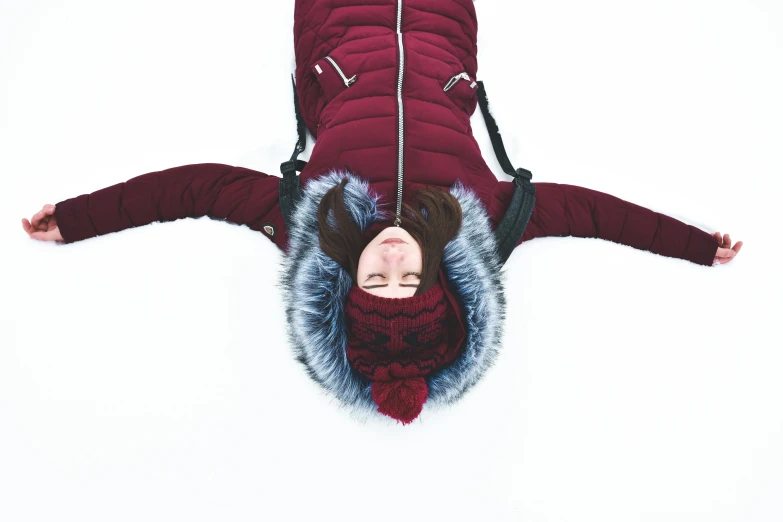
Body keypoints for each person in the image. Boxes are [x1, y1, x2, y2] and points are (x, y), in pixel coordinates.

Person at [21, 0, 742, 425]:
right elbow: (593, 213)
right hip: (439, 29)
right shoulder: (486, 222)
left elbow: (197, 189)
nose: (393, 260)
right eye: (411, 280)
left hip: (338, 28)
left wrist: (80, 217)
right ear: (442, 280)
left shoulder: (304, 216)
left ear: (344, 287)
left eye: (377, 282)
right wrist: (693, 246)